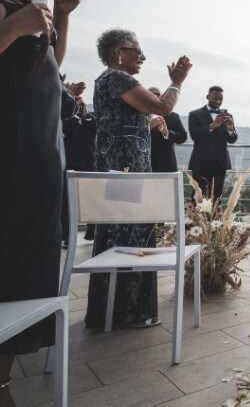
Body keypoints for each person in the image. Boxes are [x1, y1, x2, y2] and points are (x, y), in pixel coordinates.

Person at [0, 0, 86, 404]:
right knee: (0, 269)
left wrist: (58, 15)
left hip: (40, 155)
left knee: (23, 272)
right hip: (1, 154)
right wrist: (14, 25)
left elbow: (48, 63)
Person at [85, 29, 192, 329]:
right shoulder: (118, 78)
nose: (142, 57)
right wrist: (176, 83)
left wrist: (147, 121)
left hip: (117, 169)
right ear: (119, 52)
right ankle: (128, 313)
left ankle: (107, 312)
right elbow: (163, 106)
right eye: (137, 50)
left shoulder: (104, 81)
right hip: (127, 172)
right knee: (131, 237)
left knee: (117, 234)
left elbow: (125, 120)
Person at [61, 78, 97, 243]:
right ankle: (67, 236)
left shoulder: (90, 118)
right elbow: (65, 129)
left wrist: (83, 115)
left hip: (89, 162)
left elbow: (95, 127)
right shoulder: (66, 119)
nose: (80, 104)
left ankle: (92, 233)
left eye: (81, 102)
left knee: (92, 199)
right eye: (77, 102)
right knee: (68, 202)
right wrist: (75, 116)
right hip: (70, 163)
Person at [188, 86, 237, 201]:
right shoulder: (195, 114)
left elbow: (232, 139)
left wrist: (230, 128)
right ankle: (197, 219)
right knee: (198, 196)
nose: (218, 101)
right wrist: (212, 125)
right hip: (200, 162)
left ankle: (215, 219)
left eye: (220, 99)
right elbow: (194, 135)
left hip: (220, 162)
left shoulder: (228, 116)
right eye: (215, 98)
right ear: (207, 97)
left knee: (217, 196)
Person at [148, 86, 187, 172]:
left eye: (157, 94)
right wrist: (148, 127)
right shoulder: (138, 116)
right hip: (145, 166)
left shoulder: (173, 116)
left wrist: (166, 133)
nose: (155, 96)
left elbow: (183, 137)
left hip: (167, 165)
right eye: (151, 94)